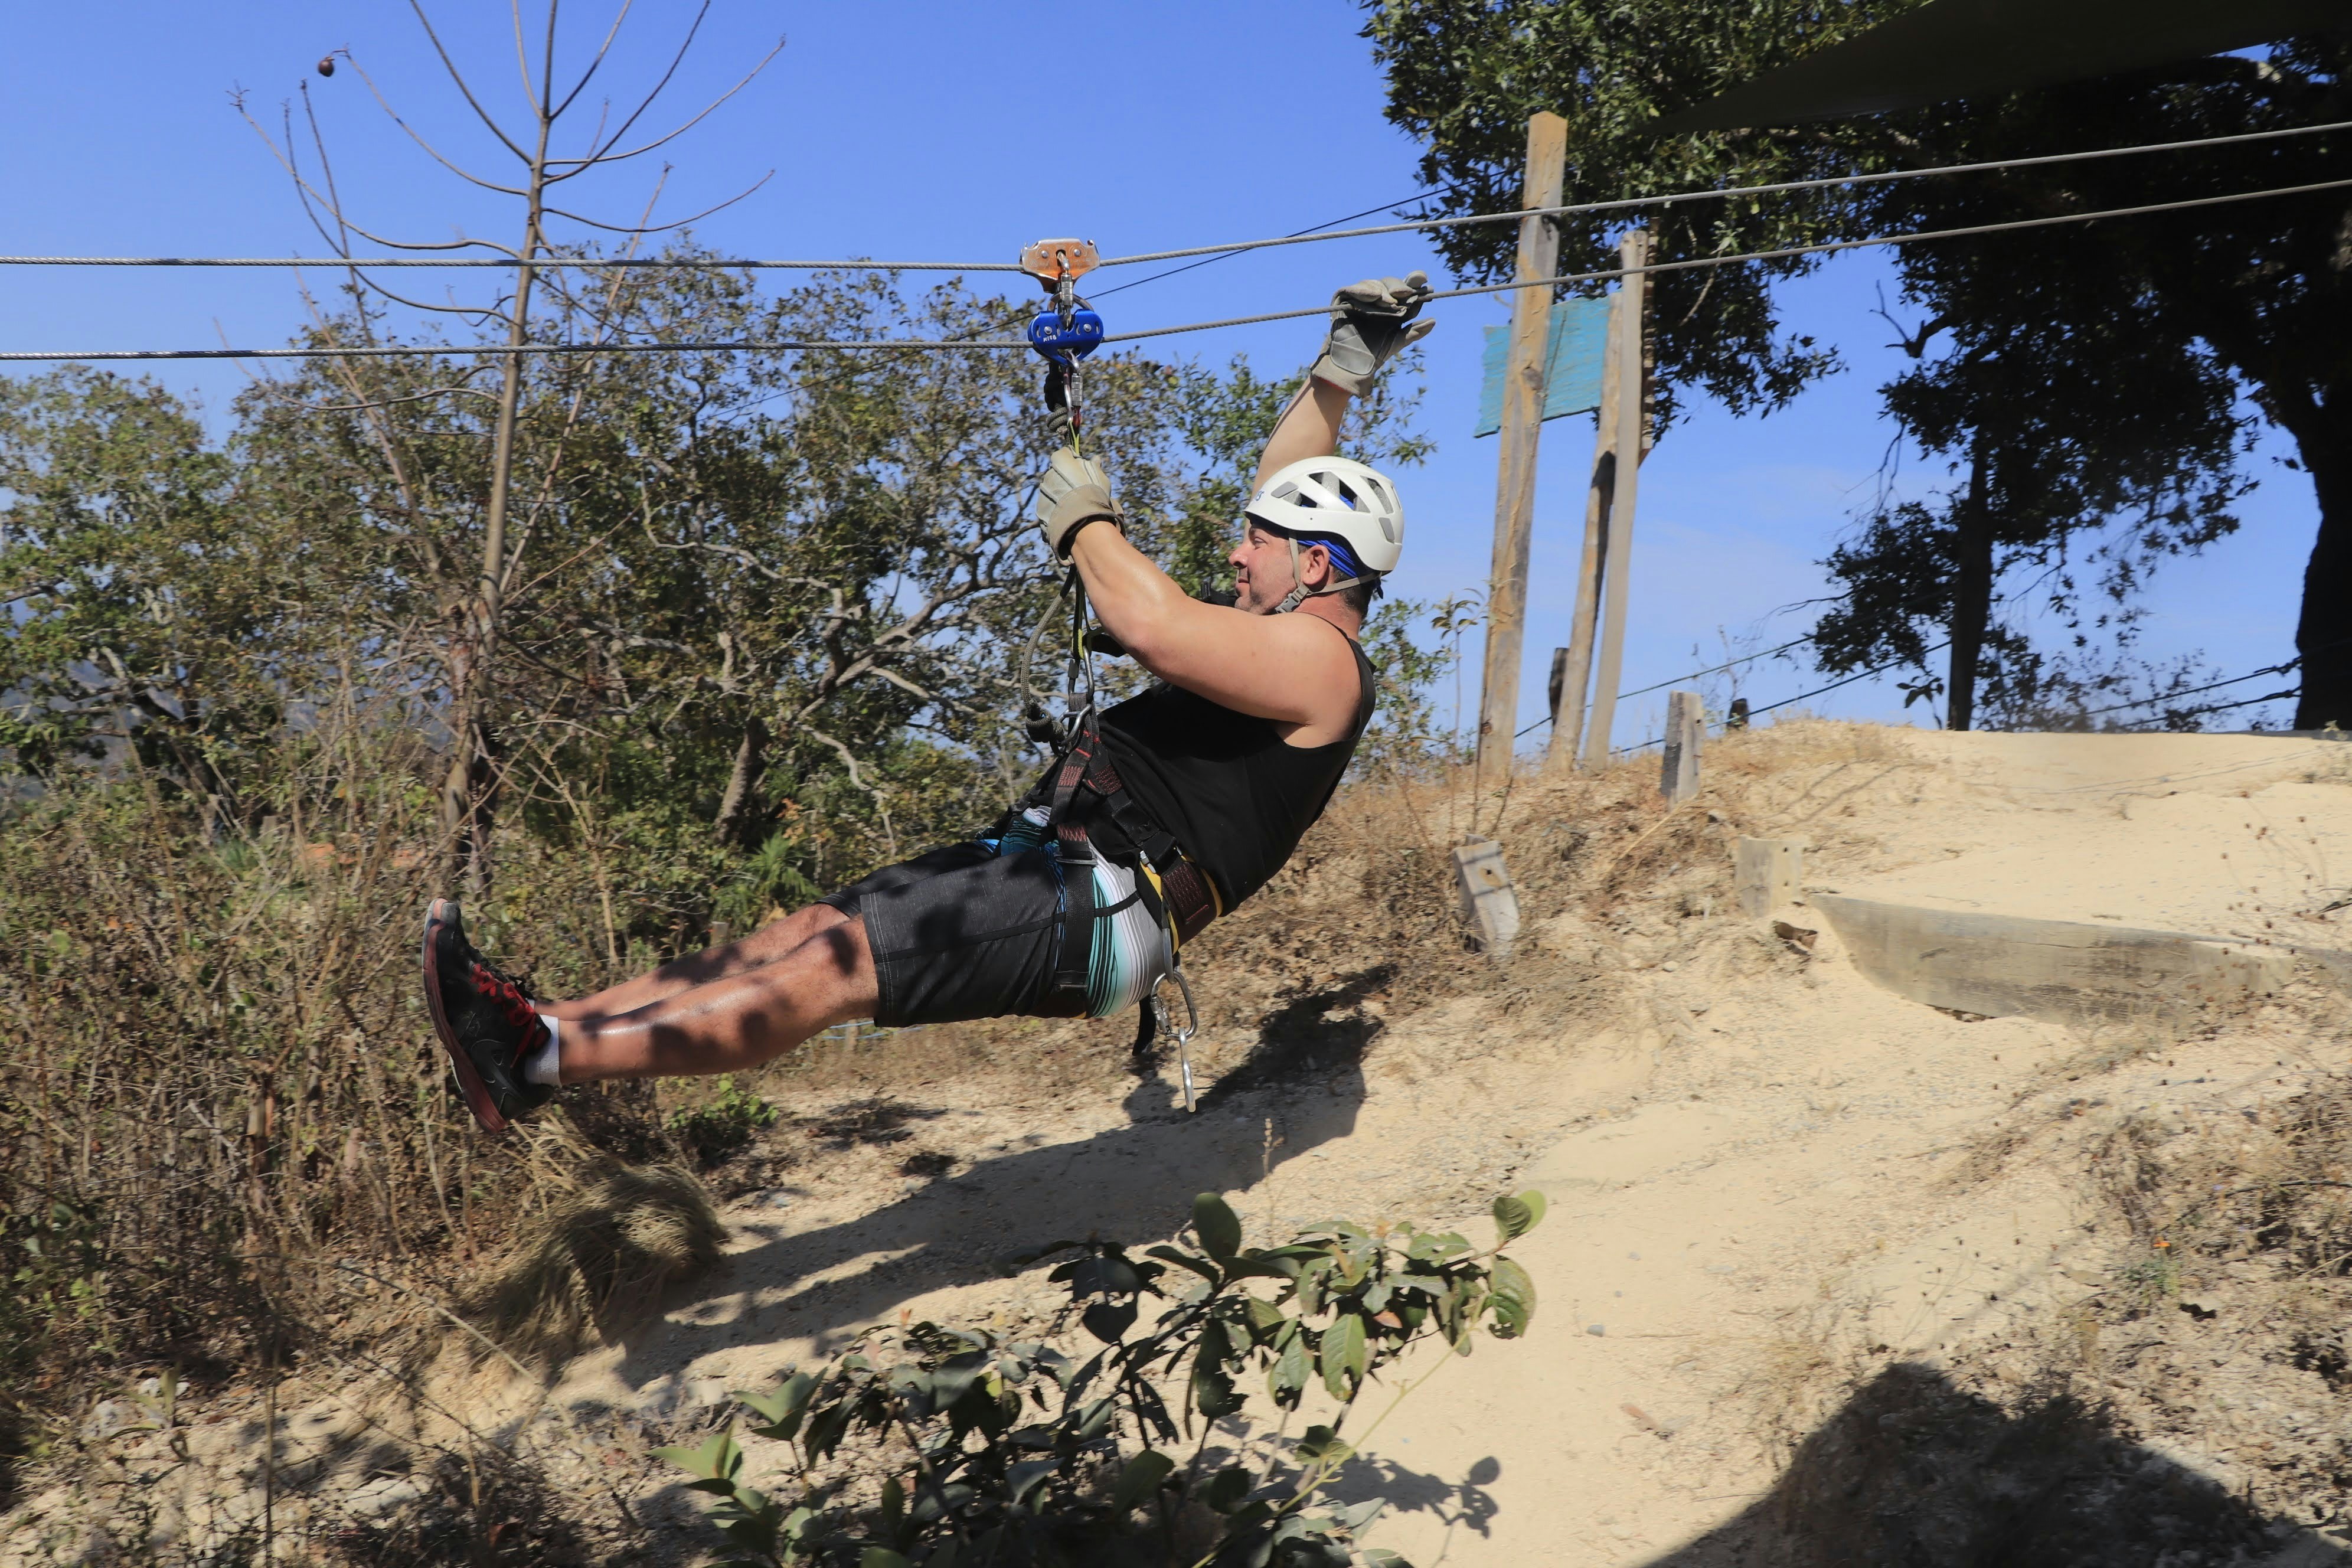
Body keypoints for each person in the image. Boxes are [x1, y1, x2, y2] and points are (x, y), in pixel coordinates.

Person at [423, 274, 1435, 1134]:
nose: (1232, 550)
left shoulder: (1325, 669)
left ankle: (538, 1059)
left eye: (1254, 543)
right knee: (796, 936)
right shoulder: (1290, 631)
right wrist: (1342, 368)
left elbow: (1150, 623)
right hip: (1054, 858)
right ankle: (536, 1025)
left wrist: (1090, 523)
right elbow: (1283, 477)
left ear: (1314, 566)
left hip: (1100, 905)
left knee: (829, 968)